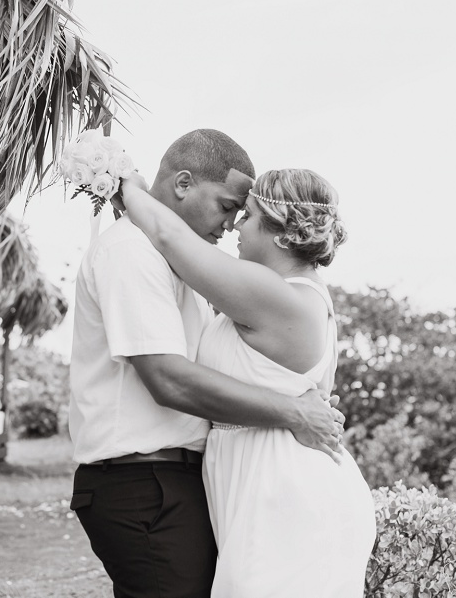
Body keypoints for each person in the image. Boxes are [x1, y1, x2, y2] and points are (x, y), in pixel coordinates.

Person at [68, 129, 346, 598]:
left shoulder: (203, 274)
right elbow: (168, 380)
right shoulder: (130, 250)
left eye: (244, 214)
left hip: (205, 484)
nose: (233, 224)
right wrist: (294, 410)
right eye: (227, 207)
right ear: (182, 184)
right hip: (143, 482)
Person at [120, 166, 376, 596]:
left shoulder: (281, 296)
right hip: (257, 480)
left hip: (284, 492)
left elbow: (171, 238)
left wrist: (123, 181)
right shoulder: (277, 291)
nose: (236, 224)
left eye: (249, 215)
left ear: (281, 232)